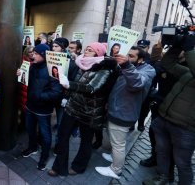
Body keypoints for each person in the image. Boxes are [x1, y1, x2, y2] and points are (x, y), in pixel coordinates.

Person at [48, 42, 118, 177]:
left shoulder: (104, 69)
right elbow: (76, 82)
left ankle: (79, 166)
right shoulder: (82, 63)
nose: (86, 52)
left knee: (86, 141)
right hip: (73, 106)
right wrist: (67, 95)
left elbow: (91, 88)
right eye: (86, 49)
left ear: (97, 54)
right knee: (63, 136)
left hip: (89, 112)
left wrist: (69, 85)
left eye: (90, 50)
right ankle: (58, 167)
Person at [95, 46, 156, 179]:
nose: (128, 58)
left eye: (132, 56)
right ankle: (114, 158)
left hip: (123, 113)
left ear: (140, 60)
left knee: (118, 144)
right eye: (128, 55)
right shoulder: (130, 68)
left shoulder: (147, 70)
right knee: (116, 141)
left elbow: (137, 83)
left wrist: (127, 65)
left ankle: (116, 170)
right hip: (117, 109)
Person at [143, 35, 195, 185]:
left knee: (182, 163)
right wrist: (177, 46)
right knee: (163, 153)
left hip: (186, 128)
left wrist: (189, 48)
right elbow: (167, 63)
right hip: (165, 120)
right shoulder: (187, 74)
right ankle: (164, 177)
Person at [18, 44, 63, 171]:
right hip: (30, 106)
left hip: (43, 109)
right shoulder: (32, 66)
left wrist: (39, 96)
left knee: (45, 134)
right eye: (33, 53)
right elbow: (28, 82)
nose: (33, 55)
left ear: (43, 55)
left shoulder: (52, 69)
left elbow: (56, 92)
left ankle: (44, 157)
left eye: (36, 53)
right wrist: (21, 74)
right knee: (30, 130)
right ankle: (32, 148)